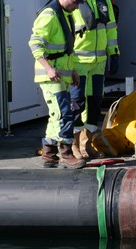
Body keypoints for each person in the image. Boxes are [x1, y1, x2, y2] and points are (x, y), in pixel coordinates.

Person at [28, 0, 87, 169]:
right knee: (65, 114)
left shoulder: (65, 15)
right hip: (52, 77)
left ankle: (49, 154)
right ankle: (66, 154)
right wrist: (48, 68)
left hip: (61, 76)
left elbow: (67, 49)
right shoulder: (50, 15)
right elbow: (35, 43)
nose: (77, 6)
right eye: (76, 2)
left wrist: (73, 70)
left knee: (56, 116)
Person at [70, 0, 120, 159]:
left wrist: (114, 52)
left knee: (95, 104)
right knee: (76, 104)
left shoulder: (104, 2)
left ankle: (87, 145)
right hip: (78, 62)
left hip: (99, 62)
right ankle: (74, 146)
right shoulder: (73, 3)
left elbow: (111, 27)